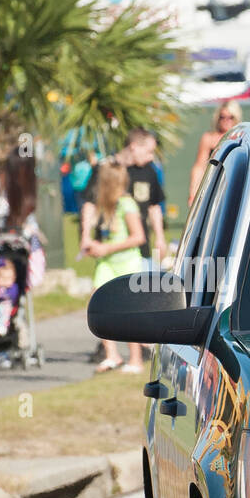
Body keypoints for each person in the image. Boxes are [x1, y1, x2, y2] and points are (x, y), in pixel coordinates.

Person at [80, 159, 146, 372]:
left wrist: (106, 249)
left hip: (127, 262)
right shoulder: (102, 205)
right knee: (97, 301)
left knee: (130, 310)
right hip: (106, 263)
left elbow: (138, 237)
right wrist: (91, 245)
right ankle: (112, 355)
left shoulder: (126, 204)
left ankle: (135, 359)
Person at [79, 130, 167, 263]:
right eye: (149, 151)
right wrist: (85, 236)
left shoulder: (149, 171)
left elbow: (154, 206)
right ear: (133, 147)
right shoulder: (105, 169)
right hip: (107, 252)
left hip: (140, 252)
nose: (151, 157)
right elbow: (90, 204)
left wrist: (160, 238)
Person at [189, 100, 242, 203]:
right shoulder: (209, 138)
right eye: (222, 117)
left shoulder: (240, 137)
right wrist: (193, 192)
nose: (226, 120)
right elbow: (199, 166)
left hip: (233, 185)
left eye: (230, 117)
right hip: (212, 186)